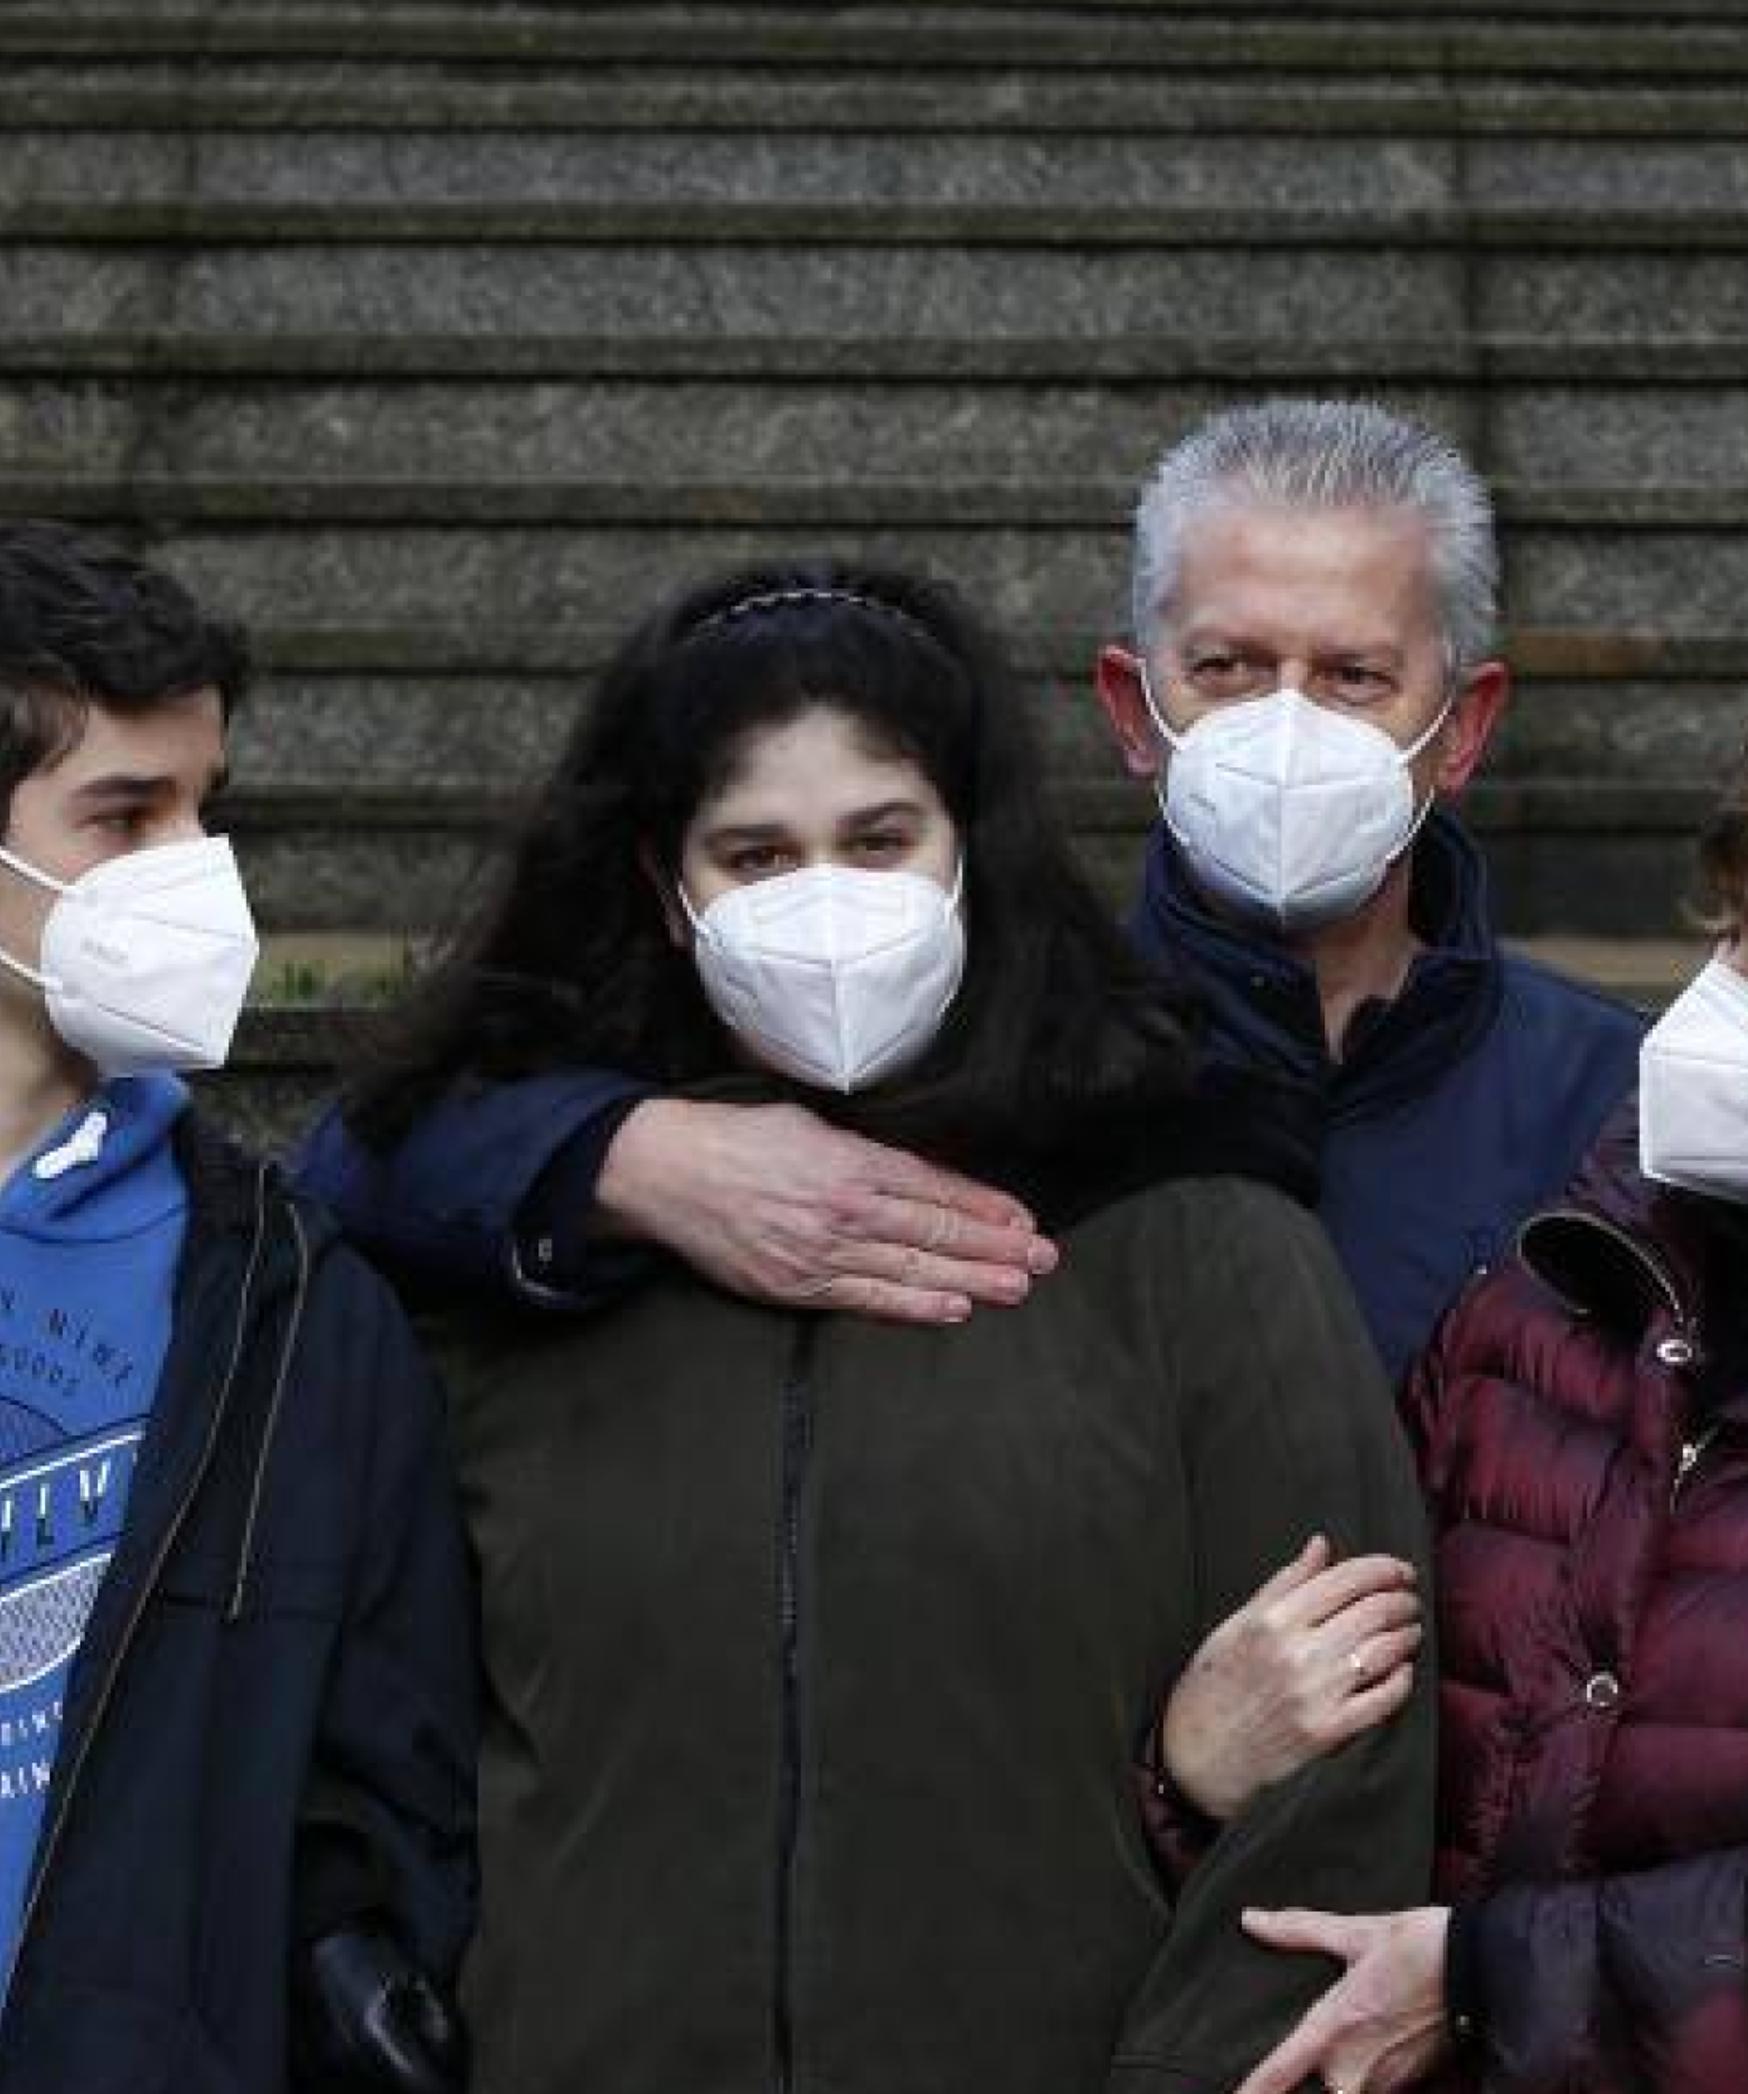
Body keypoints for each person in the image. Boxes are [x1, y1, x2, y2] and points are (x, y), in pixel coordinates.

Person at [331, 559, 1437, 2094]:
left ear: (967, 848)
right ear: (667, 886)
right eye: (755, 852)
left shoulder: (1192, 1226)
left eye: (878, 838)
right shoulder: (512, 1267)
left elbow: (1347, 1771)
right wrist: (612, 1164)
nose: (825, 901)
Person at [296, 398, 1642, 1385]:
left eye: (1352, 676)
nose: (1283, 727)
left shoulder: (1618, 1095)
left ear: (1460, 728)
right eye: (1227, 668)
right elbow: (360, 1165)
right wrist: (616, 1156)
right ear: (1133, 705)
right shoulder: (1005, 1040)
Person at [1213, 663, 1748, 2094]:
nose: (1718, 1010)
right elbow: (1345, 1702)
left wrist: (1498, 1977)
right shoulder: (1552, 1298)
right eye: (1736, 942)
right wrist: (1194, 1766)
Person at [0, 522, 474, 2092]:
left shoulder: (296, 1305)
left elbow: (386, 1797)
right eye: (125, 815)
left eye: (206, 810)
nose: (196, 875)